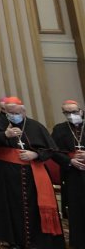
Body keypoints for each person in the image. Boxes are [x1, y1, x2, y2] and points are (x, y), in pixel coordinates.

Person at [0, 97, 64, 248]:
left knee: (34, 205)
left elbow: (51, 148)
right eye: (9, 113)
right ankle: (14, 239)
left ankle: (38, 239)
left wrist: (36, 154)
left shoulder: (35, 126)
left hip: (33, 173)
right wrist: (4, 135)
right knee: (11, 206)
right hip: (7, 172)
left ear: (23, 111)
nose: (13, 115)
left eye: (16, 112)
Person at [52, 100, 85, 248]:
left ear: (81, 111)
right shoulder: (59, 129)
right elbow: (53, 151)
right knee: (76, 210)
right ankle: (78, 243)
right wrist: (70, 161)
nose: (72, 115)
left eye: (74, 111)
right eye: (67, 112)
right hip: (71, 174)